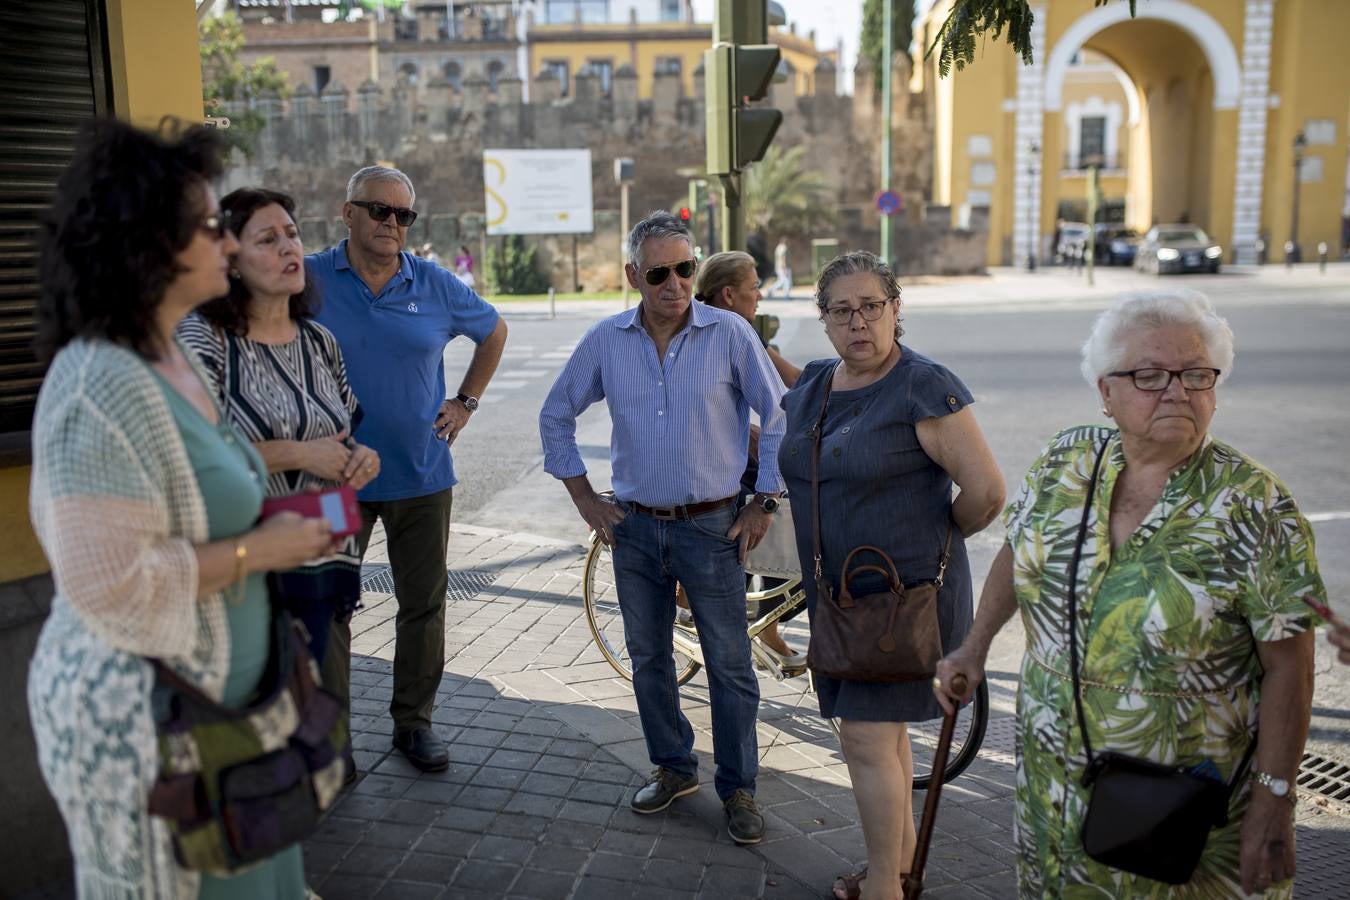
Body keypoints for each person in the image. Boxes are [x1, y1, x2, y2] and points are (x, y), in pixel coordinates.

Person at [27, 119, 337, 899]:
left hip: (228, 730)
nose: (227, 244)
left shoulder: (170, 360)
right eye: (208, 226)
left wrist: (276, 528)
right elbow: (112, 587)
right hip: (150, 737)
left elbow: (197, 510)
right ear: (147, 244)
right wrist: (262, 553)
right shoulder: (97, 385)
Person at [934, 290, 1323, 898]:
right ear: (1106, 393)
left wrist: (1276, 798)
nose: (1177, 391)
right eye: (1149, 375)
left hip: (1185, 807)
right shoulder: (1068, 459)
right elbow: (1020, 550)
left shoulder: (1256, 507)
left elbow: (1291, 666)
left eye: (1196, 374)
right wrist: (973, 649)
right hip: (1052, 781)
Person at [539, 211, 787, 845]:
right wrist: (586, 501)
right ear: (633, 276)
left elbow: (779, 413)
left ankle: (739, 789)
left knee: (730, 665)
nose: (675, 283)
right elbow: (555, 415)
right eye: (659, 272)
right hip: (635, 530)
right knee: (649, 658)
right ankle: (674, 767)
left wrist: (764, 500)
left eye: (685, 268)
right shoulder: (605, 341)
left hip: (713, 528)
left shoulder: (729, 333)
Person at [778, 251, 1004, 900]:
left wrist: (930, 545)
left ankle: (883, 888)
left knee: (866, 739)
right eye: (842, 310)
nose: (859, 323)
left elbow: (986, 493)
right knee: (886, 738)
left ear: (896, 309)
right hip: (840, 598)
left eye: (871, 306)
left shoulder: (923, 387)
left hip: (902, 602)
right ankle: (899, 871)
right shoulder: (818, 384)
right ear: (823, 320)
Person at [308, 165, 508, 773]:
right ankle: (328, 738)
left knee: (422, 604)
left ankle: (413, 724)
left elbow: (493, 330)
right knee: (326, 605)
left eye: (404, 215)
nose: (392, 223)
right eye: (379, 210)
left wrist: (466, 402)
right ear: (348, 213)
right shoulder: (311, 278)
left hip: (421, 475)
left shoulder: (436, 284)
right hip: (330, 474)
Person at [179, 187, 380, 670]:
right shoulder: (202, 339)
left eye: (292, 234)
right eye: (267, 240)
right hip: (244, 574)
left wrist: (361, 458)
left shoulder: (318, 340)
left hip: (326, 561)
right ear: (230, 258)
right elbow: (191, 459)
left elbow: (342, 432)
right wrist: (296, 454)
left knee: (325, 721)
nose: (290, 248)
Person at [693, 250, 803, 667]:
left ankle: (765, 619)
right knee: (774, 508)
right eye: (754, 287)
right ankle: (756, 620)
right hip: (708, 460)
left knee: (788, 491)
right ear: (728, 294)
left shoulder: (744, 332)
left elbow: (788, 383)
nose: (759, 295)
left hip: (735, 449)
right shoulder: (714, 332)